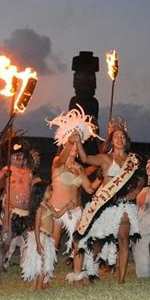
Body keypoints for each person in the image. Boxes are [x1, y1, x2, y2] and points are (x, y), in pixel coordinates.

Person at [74, 117, 145, 284]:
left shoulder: (133, 160)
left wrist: (135, 191)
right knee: (97, 242)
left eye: (122, 137)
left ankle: (121, 280)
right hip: (105, 205)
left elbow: (141, 179)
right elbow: (85, 159)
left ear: (126, 140)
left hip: (125, 206)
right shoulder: (105, 158)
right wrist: (78, 142)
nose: (120, 139)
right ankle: (91, 272)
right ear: (111, 140)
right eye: (116, 136)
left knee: (123, 239)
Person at [46, 106, 102, 282]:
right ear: (65, 144)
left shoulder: (79, 168)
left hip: (75, 210)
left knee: (80, 242)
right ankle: (45, 275)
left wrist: (102, 176)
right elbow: (61, 158)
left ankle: (77, 275)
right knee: (52, 243)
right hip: (56, 209)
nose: (74, 150)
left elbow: (89, 189)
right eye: (71, 147)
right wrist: (71, 140)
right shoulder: (57, 162)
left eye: (77, 148)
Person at [0, 137, 40, 271]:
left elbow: (34, 192)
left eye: (21, 155)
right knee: (7, 238)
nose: (19, 157)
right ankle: (2, 264)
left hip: (26, 212)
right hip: (11, 210)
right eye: (15, 155)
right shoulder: (6, 170)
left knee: (28, 239)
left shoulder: (29, 173)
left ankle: (25, 265)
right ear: (10, 157)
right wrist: (4, 178)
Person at [20, 182, 74, 292]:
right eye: (49, 190)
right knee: (40, 262)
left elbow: (57, 215)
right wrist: (38, 243)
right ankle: (36, 286)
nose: (51, 192)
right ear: (42, 193)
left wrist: (66, 207)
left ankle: (39, 285)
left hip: (48, 238)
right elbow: (36, 226)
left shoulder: (48, 205)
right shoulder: (40, 208)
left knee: (46, 263)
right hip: (41, 236)